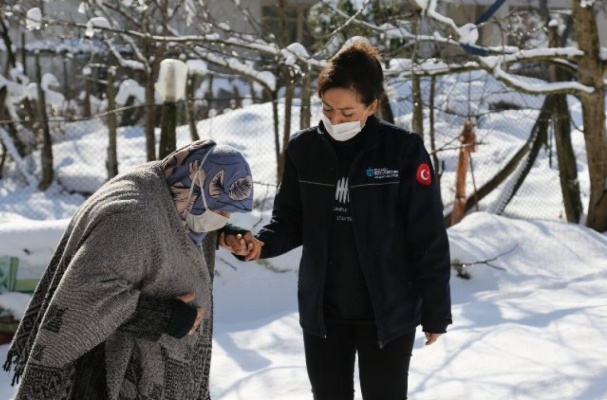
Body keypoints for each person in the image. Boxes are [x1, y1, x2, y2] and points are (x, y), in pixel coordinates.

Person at [225, 37, 452, 399]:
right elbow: (290, 219)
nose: (335, 120)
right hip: (324, 312)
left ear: (372, 105)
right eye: (328, 109)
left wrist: (436, 310)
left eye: (347, 113)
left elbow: (427, 235)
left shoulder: (402, 151)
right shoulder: (304, 149)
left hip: (388, 311)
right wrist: (259, 244)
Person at [4, 139, 254, 399]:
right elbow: (86, 295)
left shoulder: (170, 184)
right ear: (197, 182)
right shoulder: (132, 216)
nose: (224, 217)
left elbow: (168, 236)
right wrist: (164, 317)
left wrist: (221, 233)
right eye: (220, 209)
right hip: (99, 375)